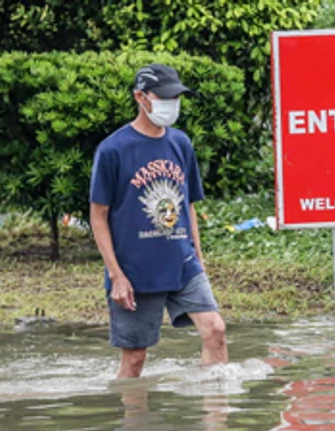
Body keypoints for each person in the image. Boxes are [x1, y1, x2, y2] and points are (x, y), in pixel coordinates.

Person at [90, 63, 228, 379]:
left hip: (182, 263)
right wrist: (116, 275)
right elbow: (98, 216)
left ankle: (216, 407)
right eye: (164, 97)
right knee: (135, 358)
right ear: (140, 97)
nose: (172, 104)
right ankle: (131, 409)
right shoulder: (113, 150)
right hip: (135, 270)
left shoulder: (181, 143)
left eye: (175, 97)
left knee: (215, 330)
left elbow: (188, 205)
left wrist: (198, 258)